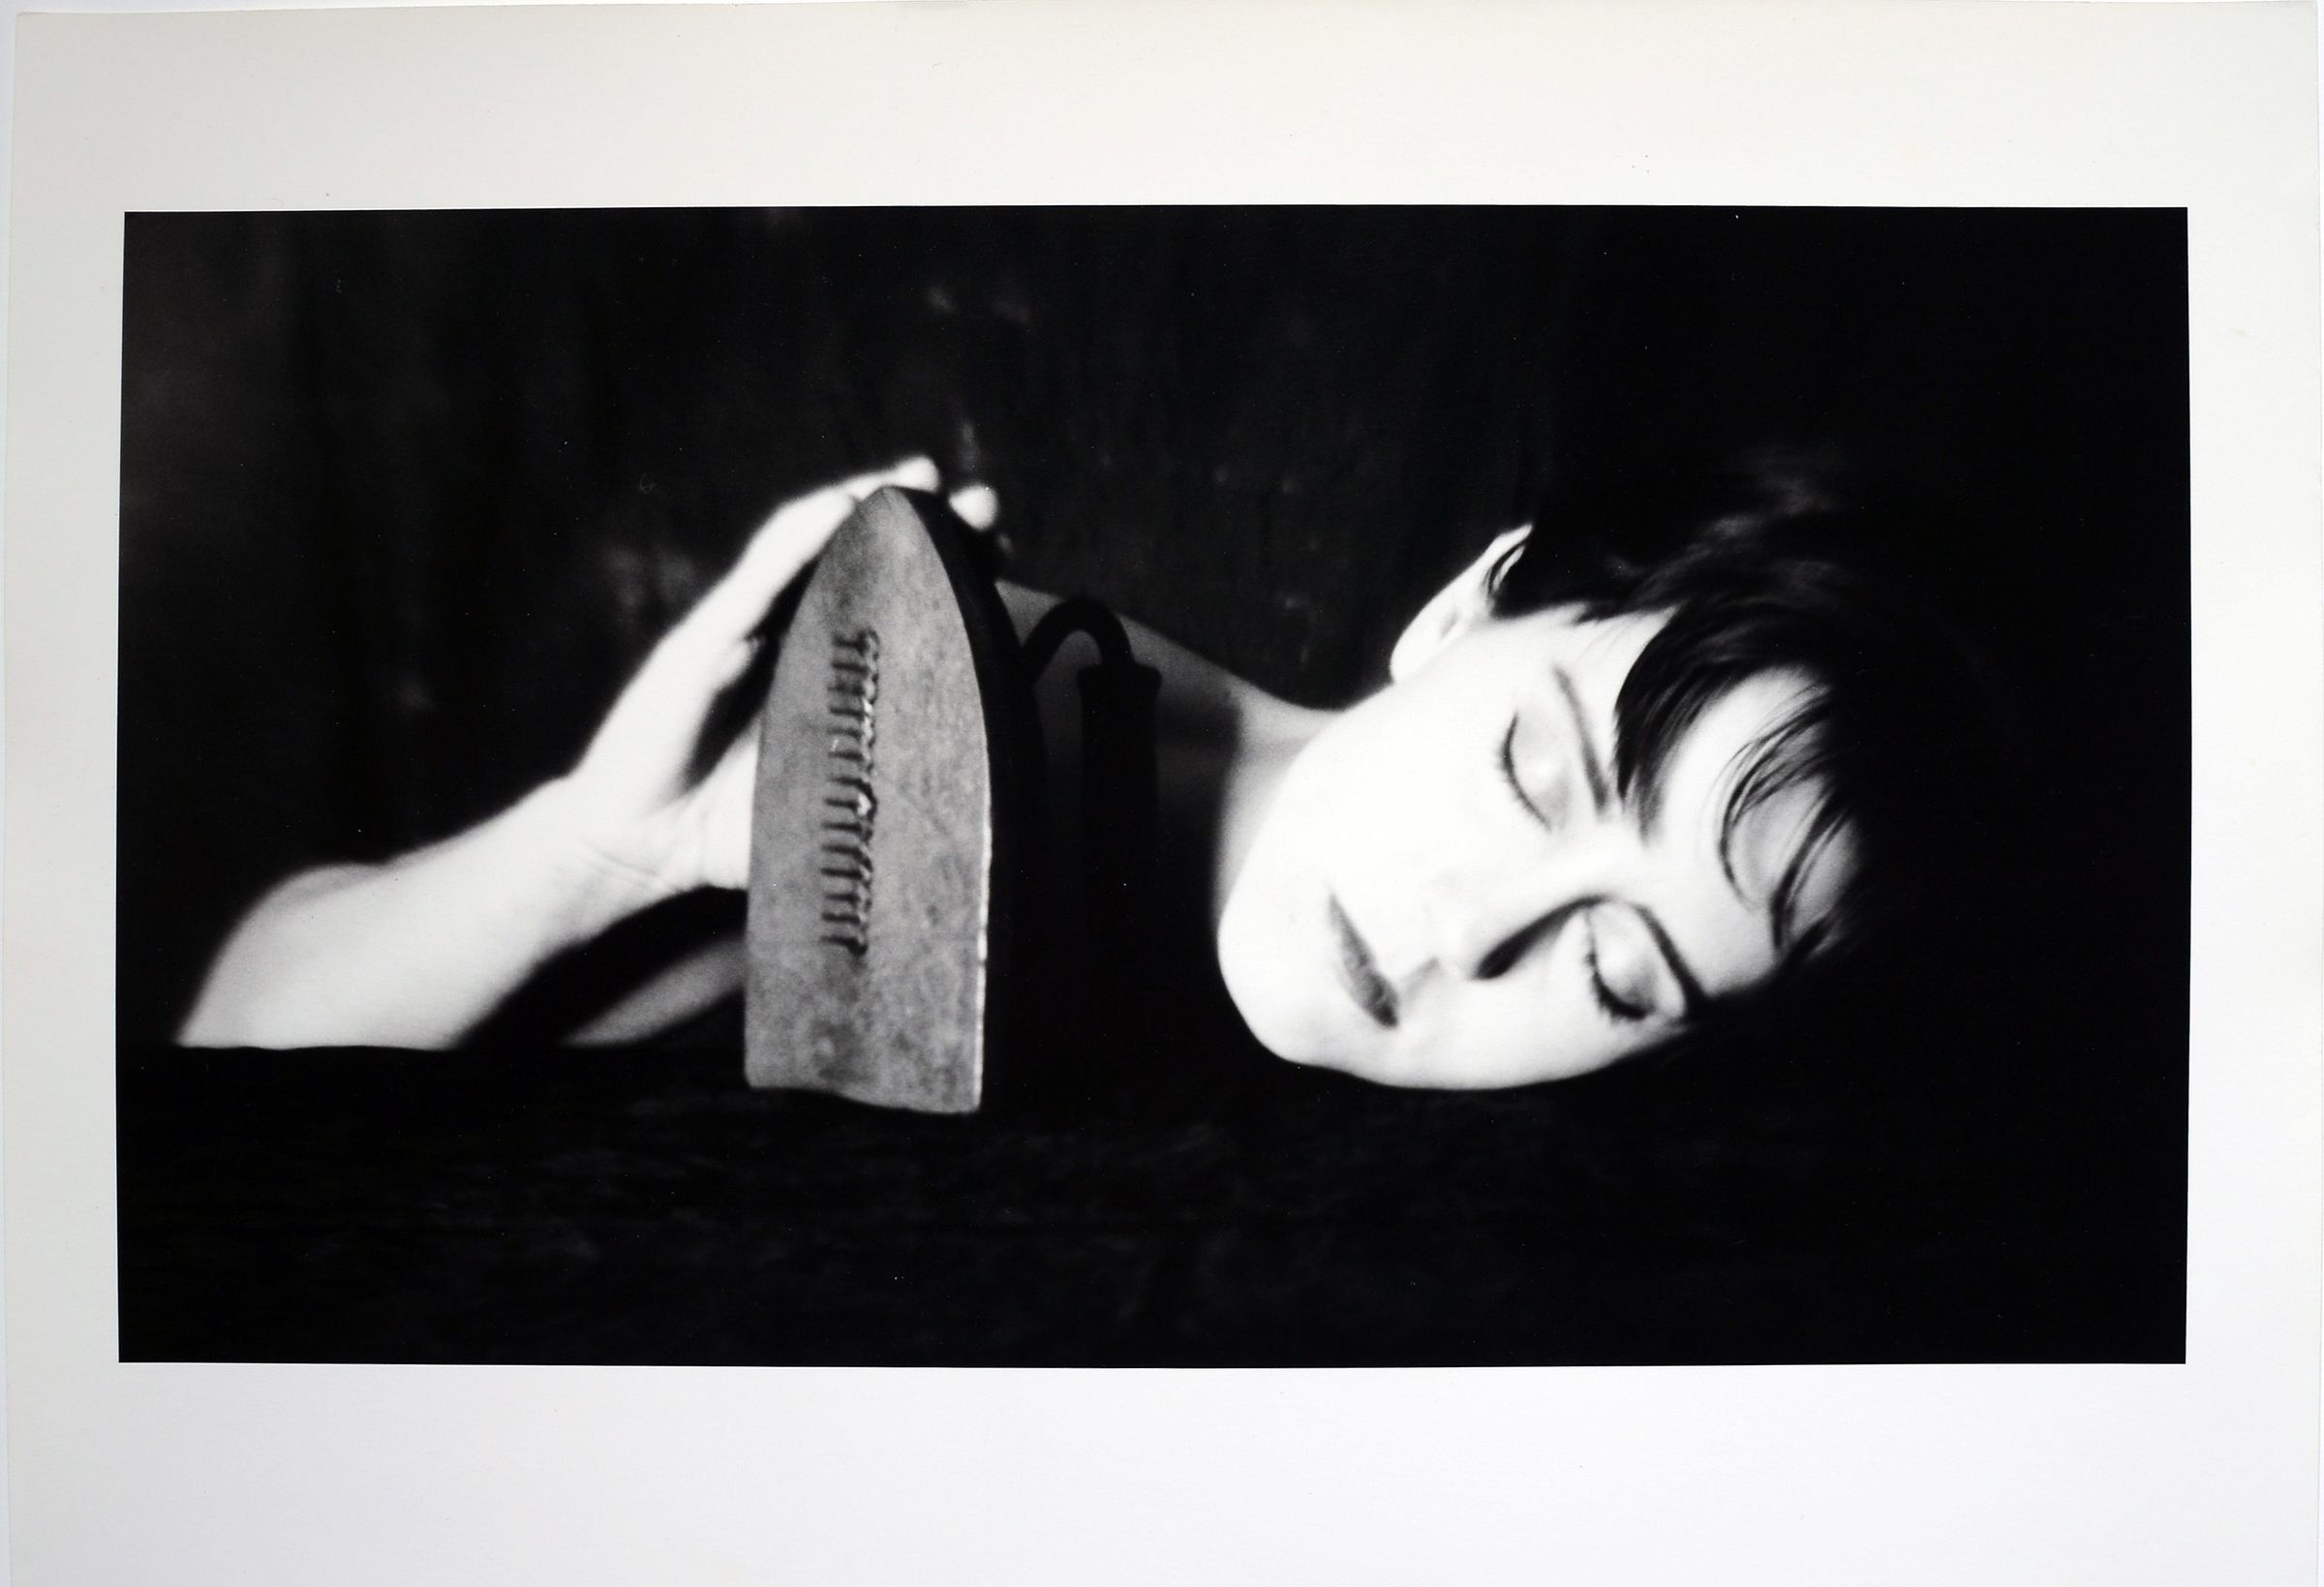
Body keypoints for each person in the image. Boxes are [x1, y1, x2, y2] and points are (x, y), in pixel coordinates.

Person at [180, 446, 1995, 1088]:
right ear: (1471, 604)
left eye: (1619, 972)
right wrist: (592, 858)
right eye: (1535, 772)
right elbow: (229, 1061)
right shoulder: (971, 736)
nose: (1473, 932)